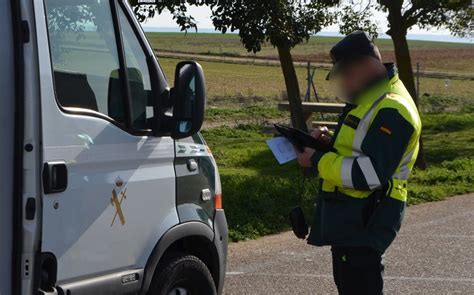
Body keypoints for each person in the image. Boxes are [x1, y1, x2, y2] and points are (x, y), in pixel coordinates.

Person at [295, 31, 422, 295]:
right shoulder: (370, 99)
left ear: (366, 67)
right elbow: (358, 149)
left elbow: (370, 173)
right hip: (352, 219)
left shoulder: (392, 108)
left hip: (367, 219)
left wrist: (317, 160)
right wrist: (327, 143)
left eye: (346, 75)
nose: (344, 83)